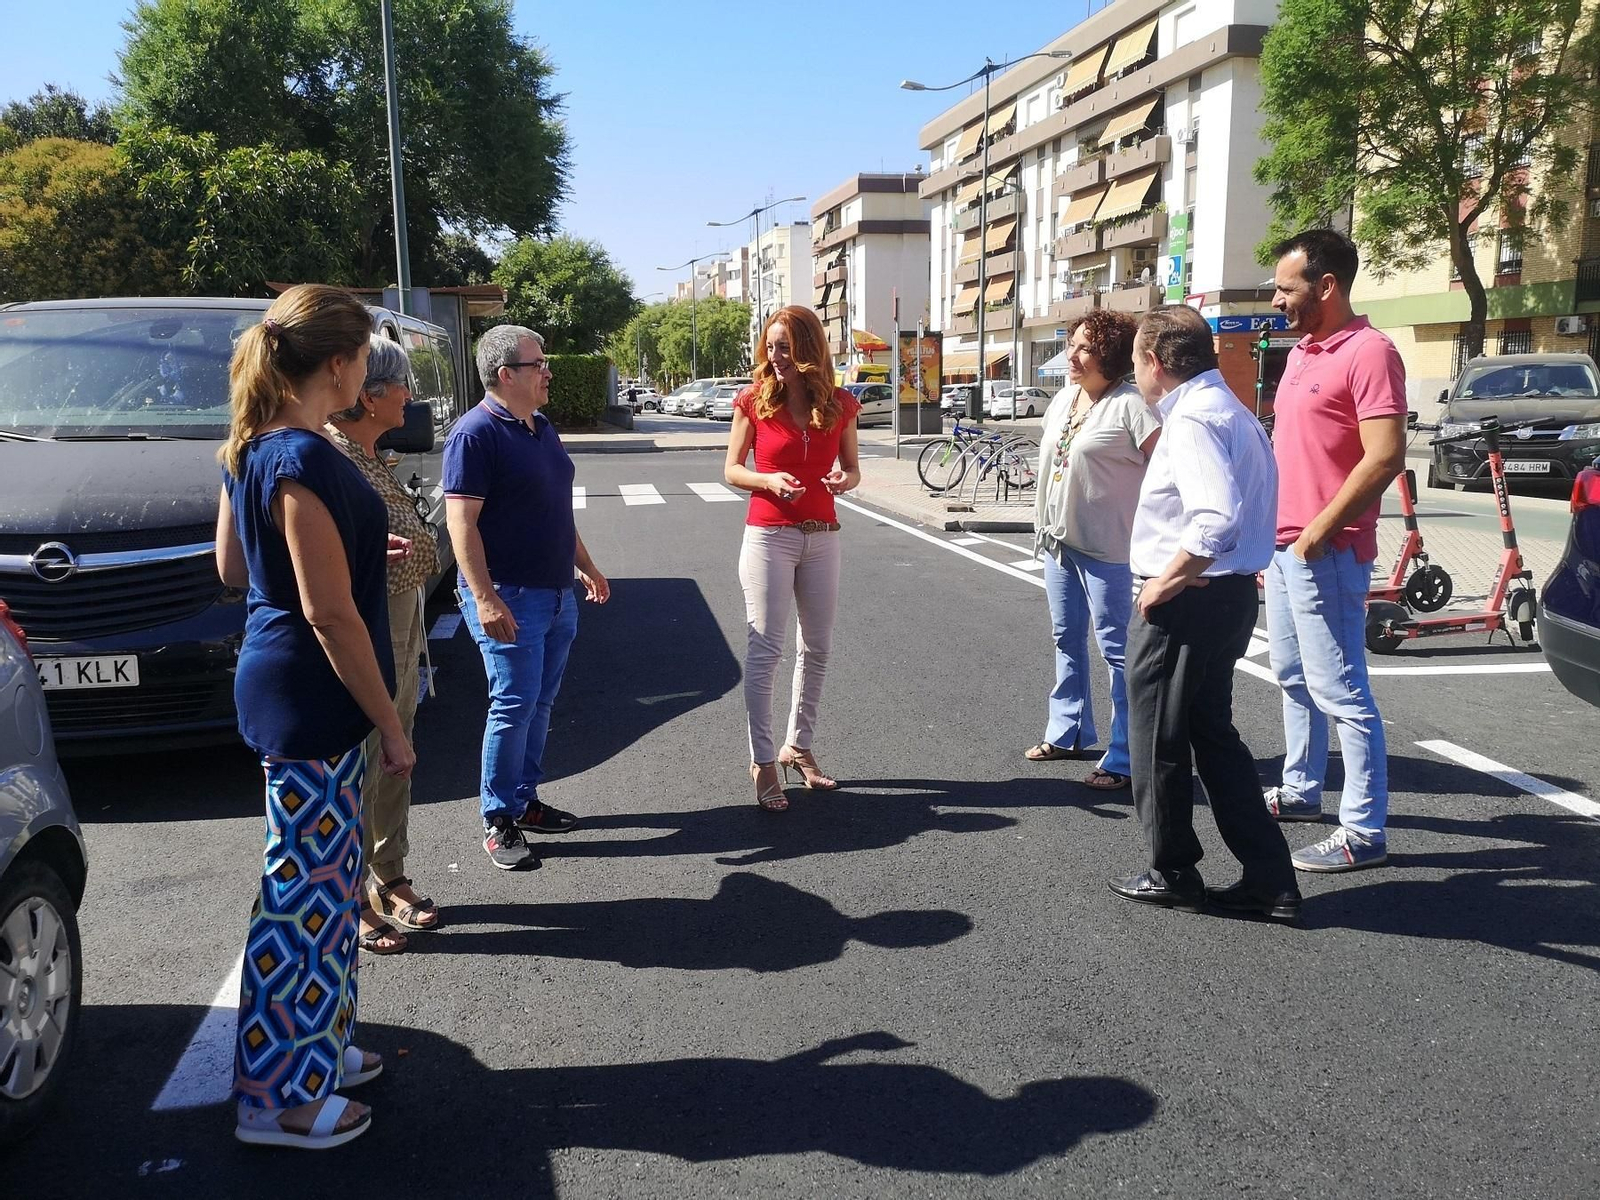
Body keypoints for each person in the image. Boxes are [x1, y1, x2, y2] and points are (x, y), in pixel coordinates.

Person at [215, 284, 415, 1148]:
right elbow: (329, 614)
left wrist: (360, 549)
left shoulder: (253, 445)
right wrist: (392, 725)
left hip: (289, 684)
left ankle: (319, 1052)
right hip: (312, 695)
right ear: (338, 365)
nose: (368, 370)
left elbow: (234, 568)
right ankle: (277, 1099)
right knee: (300, 898)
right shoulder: (302, 456)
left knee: (327, 892)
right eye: (365, 355)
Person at [1110, 306, 1300, 921]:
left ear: (1154, 361)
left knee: (1156, 739)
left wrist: (1163, 583)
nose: (1135, 374)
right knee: (1214, 736)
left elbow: (1215, 520)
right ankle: (1270, 879)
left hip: (1189, 600)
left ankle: (1173, 871)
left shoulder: (1192, 418)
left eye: (1135, 362)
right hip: (1229, 595)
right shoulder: (1232, 410)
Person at [1264, 229, 1407, 872]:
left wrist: (1317, 534)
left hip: (1328, 550)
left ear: (1326, 286)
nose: (1276, 301)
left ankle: (1363, 832)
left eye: (1285, 288)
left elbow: (1385, 456)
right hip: (1286, 548)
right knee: (1293, 676)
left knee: (1342, 689)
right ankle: (1301, 790)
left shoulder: (1370, 352)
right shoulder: (1301, 352)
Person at [444, 324, 610, 871]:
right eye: (538, 364)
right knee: (513, 703)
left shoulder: (540, 427)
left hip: (556, 592)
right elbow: (462, 524)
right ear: (505, 375)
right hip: (510, 595)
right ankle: (498, 818)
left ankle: (523, 801)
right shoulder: (475, 434)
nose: (548, 372)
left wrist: (586, 566)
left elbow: (555, 511)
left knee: (539, 702)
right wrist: (485, 598)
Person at [327, 336, 441, 952]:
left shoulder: (370, 453)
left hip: (401, 617)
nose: (411, 397)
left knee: (398, 751)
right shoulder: (330, 454)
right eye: (403, 385)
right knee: (370, 755)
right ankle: (350, 897)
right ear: (369, 395)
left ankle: (387, 871)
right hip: (366, 625)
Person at [723, 304, 861, 811]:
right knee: (766, 650)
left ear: (808, 351)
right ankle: (762, 761)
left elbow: (853, 468)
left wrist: (845, 479)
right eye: (771, 346)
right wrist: (767, 480)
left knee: (817, 647)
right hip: (769, 537)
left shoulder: (840, 403)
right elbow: (732, 469)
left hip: (822, 536)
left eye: (786, 347)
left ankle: (798, 746)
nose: (776, 356)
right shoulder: (754, 400)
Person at [1025, 310, 1161, 791]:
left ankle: (1126, 754)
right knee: (1066, 637)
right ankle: (1068, 731)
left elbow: (1168, 470)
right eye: (1073, 344)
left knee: (1117, 651)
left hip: (1111, 549)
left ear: (1110, 355)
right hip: (1058, 541)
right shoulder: (1064, 398)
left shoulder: (1132, 405)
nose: (1072, 355)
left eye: (1085, 347)